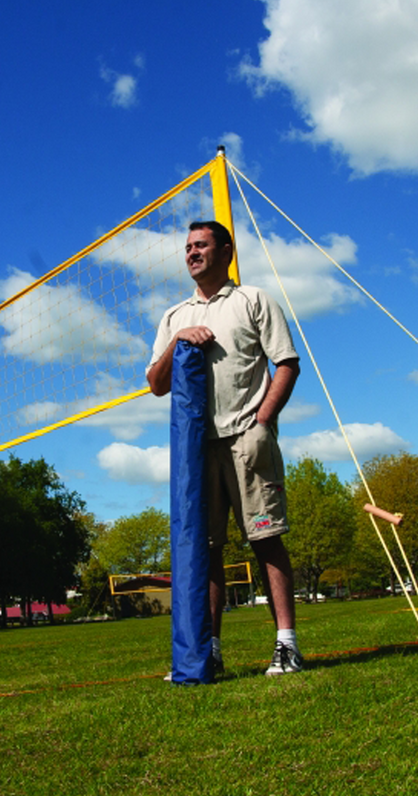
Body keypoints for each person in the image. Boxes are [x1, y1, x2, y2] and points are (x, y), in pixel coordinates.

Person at [146, 220, 303, 676]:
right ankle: (207, 652)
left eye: (202, 245)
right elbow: (156, 385)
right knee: (206, 549)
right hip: (197, 452)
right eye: (188, 247)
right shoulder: (174, 315)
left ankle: (287, 646)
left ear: (226, 251)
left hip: (246, 439)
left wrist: (263, 420)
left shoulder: (253, 300)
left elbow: (287, 363)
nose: (193, 253)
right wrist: (179, 339)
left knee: (266, 539)